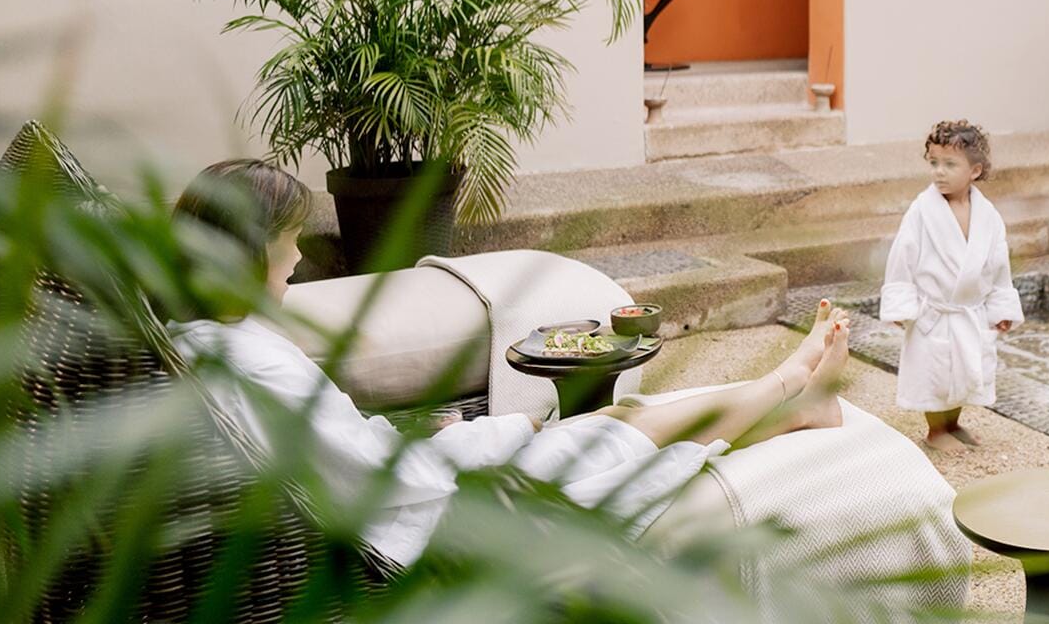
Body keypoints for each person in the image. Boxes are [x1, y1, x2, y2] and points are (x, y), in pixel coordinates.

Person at [166, 159, 850, 566]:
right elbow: (377, 478)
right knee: (617, 424)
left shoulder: (200, 340)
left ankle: (797, 406)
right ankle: (789, 384)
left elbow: (339, 450)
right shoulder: (252, 362)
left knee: (614, 423)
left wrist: (427, 431)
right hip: (429, 522)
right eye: (287, 241)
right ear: (247, 249)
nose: (297, 256)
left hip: (407, 492)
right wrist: (501, 431)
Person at [879, 122, 1023, 452]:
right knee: (936, 375)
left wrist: (1001, 308)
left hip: (968, 312)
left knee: (965, 372)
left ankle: (953, 424)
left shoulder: (988, 215)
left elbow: (998, 265)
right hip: (934, 312)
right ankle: (935, 431)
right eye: (933, 162)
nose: (939, 172)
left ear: (975, 170)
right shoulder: (921, 211)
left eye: (949, 164)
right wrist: (901, 304)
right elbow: (902, 257)